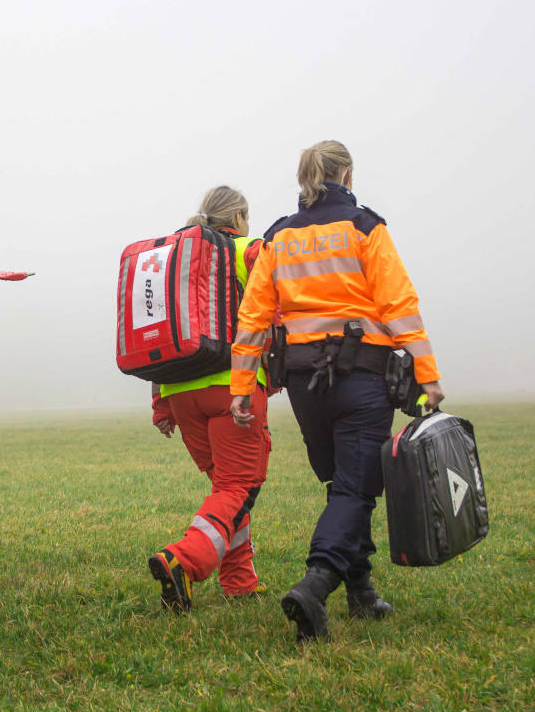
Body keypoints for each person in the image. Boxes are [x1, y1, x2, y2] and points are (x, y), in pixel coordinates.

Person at [229, 140, 444, 642]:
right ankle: (316, 583)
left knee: (342, 484)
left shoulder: (278, 235)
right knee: (355, 488)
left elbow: (253, 318)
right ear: (346, 174)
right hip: (361, 379)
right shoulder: (365, 226)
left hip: (304, 385)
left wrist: (242, 386)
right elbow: (399, 304)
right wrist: (427, 374)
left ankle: (362, 592)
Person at [148, 186, 274, 613]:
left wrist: (161, 403)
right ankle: (180, 560)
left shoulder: (178, 260)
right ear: (237, 217)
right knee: (239, 486)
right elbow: (284, 286)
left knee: (227, 490)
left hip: (180, 393)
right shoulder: (245, 250)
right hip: (232, 388)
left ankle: (239, 581)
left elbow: (166, 329)